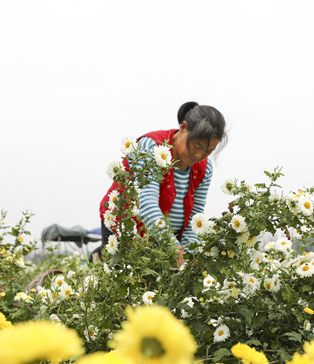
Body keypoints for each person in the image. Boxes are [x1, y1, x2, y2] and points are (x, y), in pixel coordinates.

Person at [97, 102, 228, 265]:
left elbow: (195, 218)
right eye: (196, 146)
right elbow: (147, 204)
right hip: (125, 228)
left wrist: (188, 256)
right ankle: (97, 257)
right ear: (183, 128)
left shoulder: (204, 167)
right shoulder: (151, 146)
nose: (198, 155)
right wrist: (175, 249)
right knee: (127, 279)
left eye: (208, 151)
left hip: (163, 240)